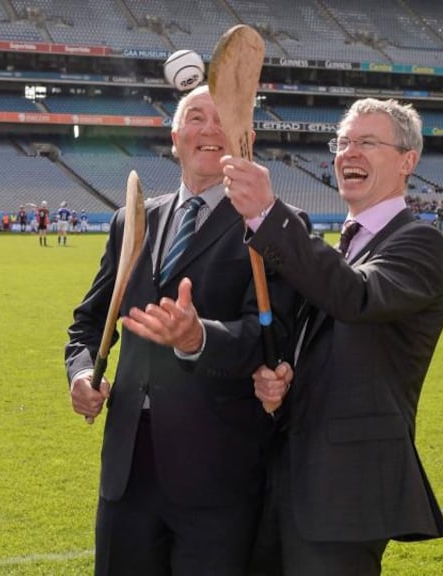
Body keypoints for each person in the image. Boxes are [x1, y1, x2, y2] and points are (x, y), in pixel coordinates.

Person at [65, 85, 300, 576]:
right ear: (175, 137)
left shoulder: (273, 227)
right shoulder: (132, 221)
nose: (209, 130)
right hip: (129, 470)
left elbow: (272, 337)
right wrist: (83, 374)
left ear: (246, 138)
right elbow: (90, 323)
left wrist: (199, 339)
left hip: (219, 471)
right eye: (195, 118)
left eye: (222, 120)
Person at [224, 97, 443, 575]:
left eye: (367, 142)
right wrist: (284, 377)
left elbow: (356, 298)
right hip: (291, 478)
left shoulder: (420, 243)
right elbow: (327, 341)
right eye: (343, 142)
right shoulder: (343, 247)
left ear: (408, 161)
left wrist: (269, 212)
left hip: (348, 491)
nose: (348, 153)